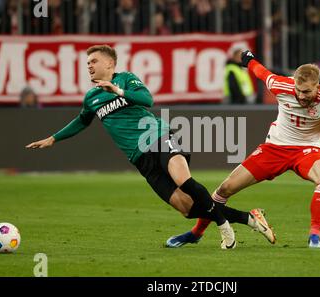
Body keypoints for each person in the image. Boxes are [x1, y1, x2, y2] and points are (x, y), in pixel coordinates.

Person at [25, 45, 271, 249]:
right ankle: (247, 218)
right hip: (139, 158)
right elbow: (82, 121)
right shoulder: (91, 98)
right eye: (87, 62)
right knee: (186, 208)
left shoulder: (126, 79)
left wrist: (119, 90)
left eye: (93, 61)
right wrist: (53, 138)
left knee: (184, 180)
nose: (88, 65)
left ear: (109, 64)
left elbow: (147, 100)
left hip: (156, 136)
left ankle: (224, 228)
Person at [166, 50, 320, 249]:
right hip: (274, 149)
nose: (301, 96)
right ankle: (196, 233)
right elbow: (262, 72)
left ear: (317, 86)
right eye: (298, 90)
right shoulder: (283, 85)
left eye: (306, 92)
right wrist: (249, 60)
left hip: (307, 151)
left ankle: (314, 235)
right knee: (224, 189)